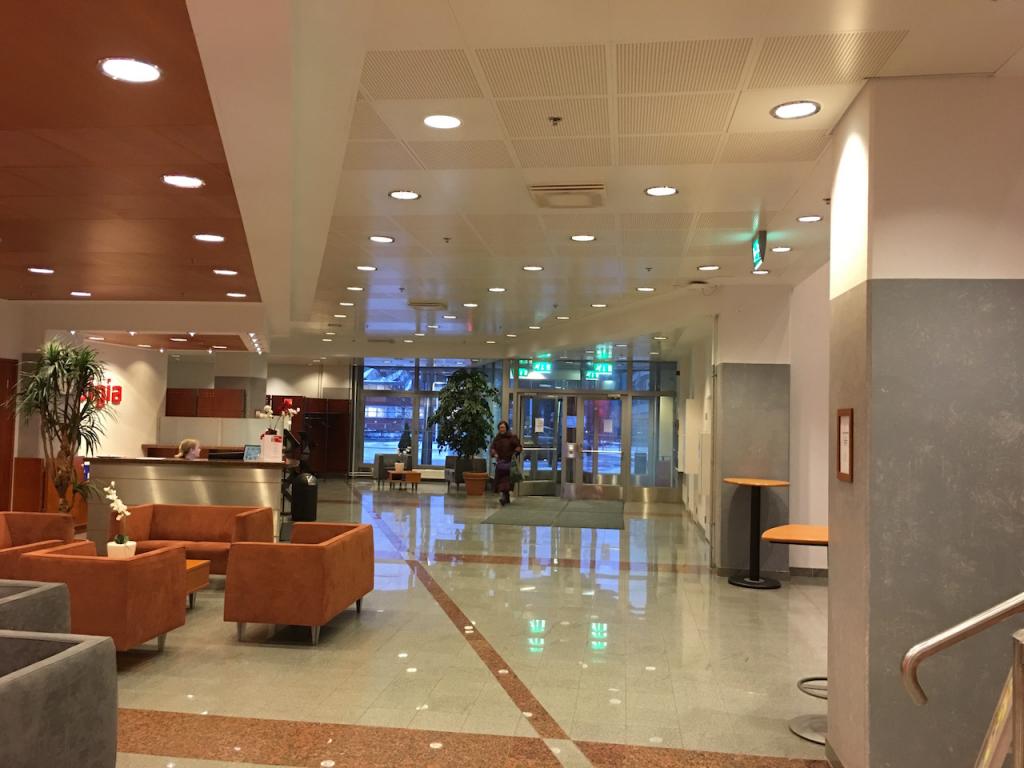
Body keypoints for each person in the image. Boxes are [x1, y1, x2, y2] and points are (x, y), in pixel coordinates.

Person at [489, 420, 522, 506]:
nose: (502, 429)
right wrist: (494, 453)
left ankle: (504, 497)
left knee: (506, 481)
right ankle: (505, 496)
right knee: (501, 481)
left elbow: (518, 446)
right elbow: (492, 448)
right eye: (500, 428)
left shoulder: (512, 437)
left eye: (503, 427)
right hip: (500, 463)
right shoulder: (497, 438)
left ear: (506, 428)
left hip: (509, 463)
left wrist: (515, 453)